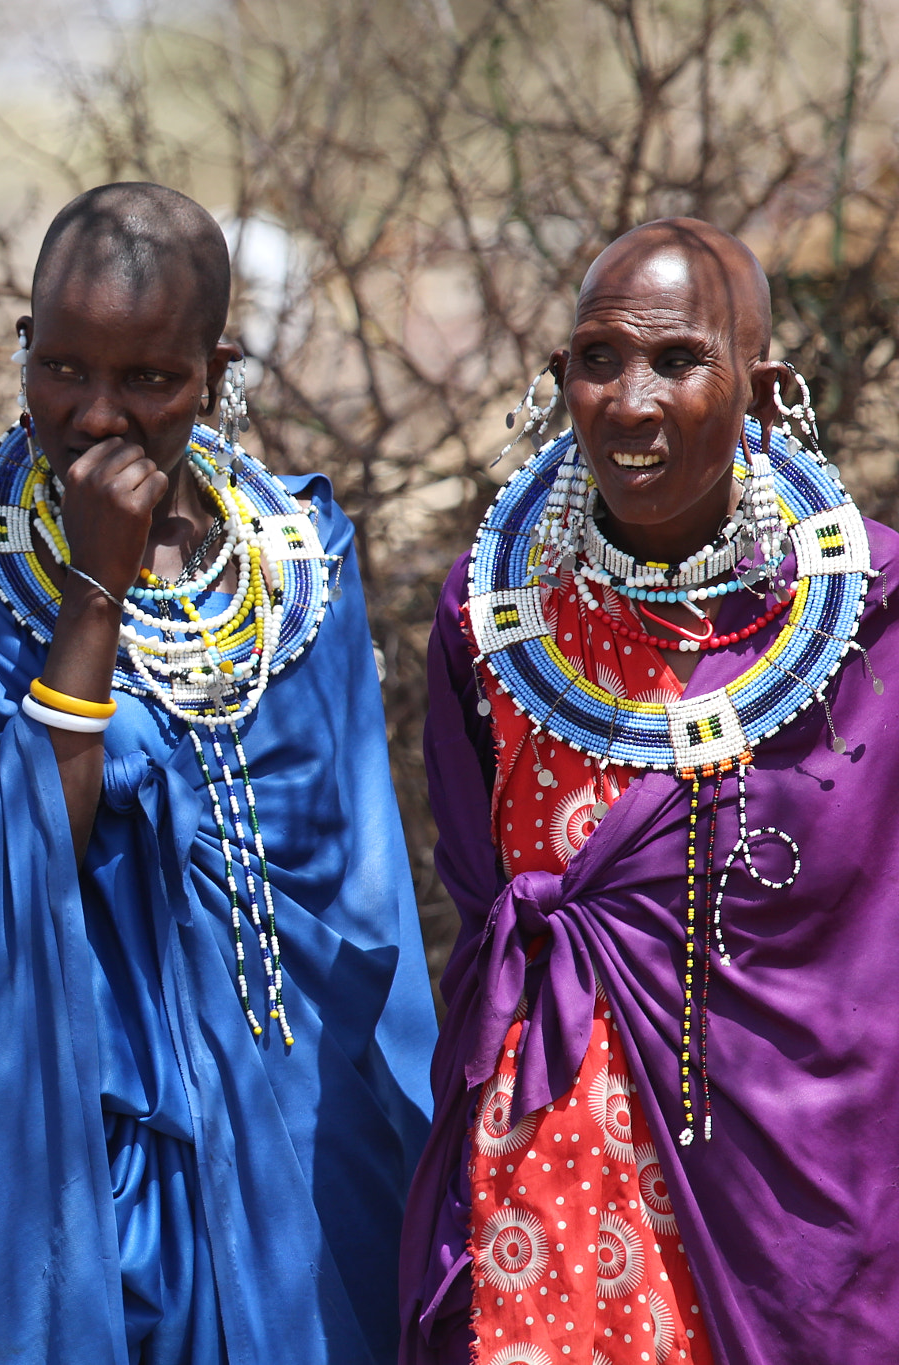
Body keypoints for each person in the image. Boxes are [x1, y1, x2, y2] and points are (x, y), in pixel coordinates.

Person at [0, 183, 437, 1365]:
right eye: (62, 369)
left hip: (306, 1098)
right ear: (23, 348)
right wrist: (96, 584)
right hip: (91, 1105)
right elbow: (10, 854)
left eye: (147, 381)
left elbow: (357, 868)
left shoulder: (301, 556)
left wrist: (376, 1090)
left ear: (215, 369)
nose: (95, 416)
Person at [403, 217, 899, 1364]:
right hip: (552, 1175)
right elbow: (481, 900)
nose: (629, 402)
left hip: (806, 1180)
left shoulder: (868, 611)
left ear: (762, 393)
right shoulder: (487, 621)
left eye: (677, 361)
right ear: (556, 380)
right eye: (595, 358)